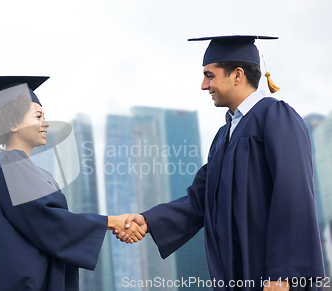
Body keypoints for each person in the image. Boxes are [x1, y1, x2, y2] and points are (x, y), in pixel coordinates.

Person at [115, 36, 325, 291]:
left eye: (210, 75)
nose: (204, 85)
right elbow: (200, 199)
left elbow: (294, 194)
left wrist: (284, 274)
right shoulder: (224, 135)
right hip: (234, 274)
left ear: (237, 75)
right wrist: (148, 221)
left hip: (271, 276)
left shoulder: (276, 116)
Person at [0, 76, 146, 291]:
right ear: (13, 122)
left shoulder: (34, 171)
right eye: (38, 116)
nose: (45, 123)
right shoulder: (6, 162)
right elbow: (45, 218)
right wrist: (110, 222)